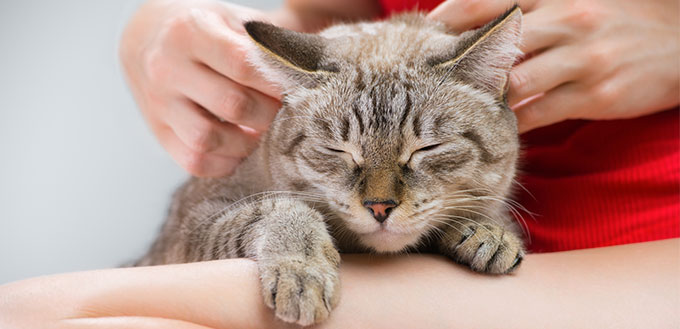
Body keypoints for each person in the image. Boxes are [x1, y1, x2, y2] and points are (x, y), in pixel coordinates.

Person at [1, 0, 678, 327]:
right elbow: (320, 21)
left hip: (646, 269)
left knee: (43, 313)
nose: (380, 195)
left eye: (423, 156)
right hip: (430, 272)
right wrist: (157, 29)